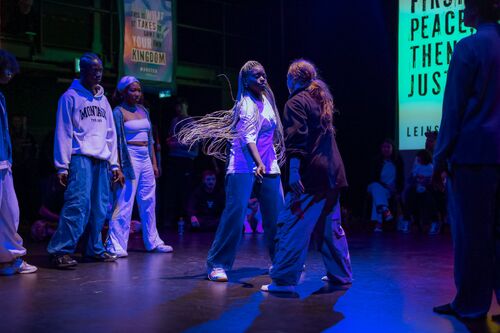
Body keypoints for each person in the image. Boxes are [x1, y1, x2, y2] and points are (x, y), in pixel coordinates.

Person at [177, 60, 285, 282]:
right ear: (245, 80)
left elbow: (271, 132)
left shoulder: (266, 99)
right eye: (257, 76)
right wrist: (258, 163)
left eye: (264, 74)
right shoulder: (244, 104)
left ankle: (281, 261)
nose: (262, 79)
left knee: (275, 215)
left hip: (267, 163)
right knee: (235, 216)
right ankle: (217, 264)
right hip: (243, 165)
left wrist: (269, 157)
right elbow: (247, 140)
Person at [432, 0, 500, 320]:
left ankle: (471, 305)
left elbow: (454, 108)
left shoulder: (468, 47)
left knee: (472, 235)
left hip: (474, 157)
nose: (461, 13)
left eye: (465, 6)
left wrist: (440, 155)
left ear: (475, 12)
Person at [261, 59, 352, 293]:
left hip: (311, 175)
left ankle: (282, 280)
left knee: (292, 226)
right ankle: (340, 275)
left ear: (292, 79)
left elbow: (296, 140)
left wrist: (292, 172)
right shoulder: (321, 98)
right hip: (333, 172)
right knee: (329, 227)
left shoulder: (296, 101)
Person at [47, 53, 123, 268]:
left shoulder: (104, 100)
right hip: (80, 157)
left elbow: (111, 134)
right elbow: (63, 132)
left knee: (100, 208)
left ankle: (94, 249)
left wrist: (115, 163)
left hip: (102, 159)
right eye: (93, 70)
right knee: (77, 205)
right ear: (83, 70)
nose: (98, 74)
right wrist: (62, 166)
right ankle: (60, 251)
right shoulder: (70, 97)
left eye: (100, 70)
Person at [105, 76, 172, 257]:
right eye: (132, 90)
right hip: (130, 157)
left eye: (138, 90)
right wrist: (116, 166)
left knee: (149, 200)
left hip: (145, 158)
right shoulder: (118, 112)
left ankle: (153, 241)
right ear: (123, 92)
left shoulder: (144, 110)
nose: (136, 93)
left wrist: (154, 163)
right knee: (124, 201)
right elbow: (116, 141)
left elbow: (150, 139)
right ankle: (116, 244)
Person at [0, 49, 37, 275]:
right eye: (8, 71)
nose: (11, 75)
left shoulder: (1, 96)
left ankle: (10, 259)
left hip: (4, 164)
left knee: (10, 213)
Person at [164, 97, 199, 227]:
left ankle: (187, 219)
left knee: (185, 190)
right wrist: (170, 142)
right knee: (172, 190)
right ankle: (171, 220)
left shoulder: (191, 122)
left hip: (186, 160)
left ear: (186, 106)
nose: (178, 109)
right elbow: (170, 138)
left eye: (181, 106)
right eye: (177, 106)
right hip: (174, 159)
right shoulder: (174, 120)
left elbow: (193, 143)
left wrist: (176, 143)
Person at [367, 139, 404, 232]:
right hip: (375, 186)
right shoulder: (376, 161)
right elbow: (373, 178)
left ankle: (379, 222)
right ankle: (385, 212)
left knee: (378, 198)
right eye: (384, 147)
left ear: (392, 148)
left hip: (389, 191)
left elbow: (401, 179)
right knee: (376, 187)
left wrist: (397, 190)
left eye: (388, 147)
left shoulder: (398, 162)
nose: (386, 149)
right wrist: (385, 185)